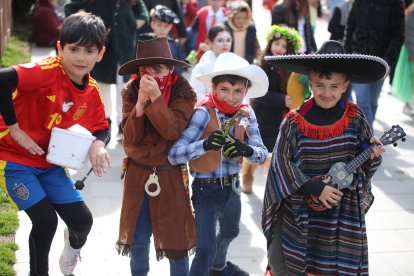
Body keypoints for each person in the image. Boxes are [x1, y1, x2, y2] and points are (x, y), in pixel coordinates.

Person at [262, 40, 388, 275]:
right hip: (301, 211)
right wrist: (314, 188)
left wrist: (371, 152)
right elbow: (281, 165)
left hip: (341, 212)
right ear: (309, 83)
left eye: (334, 86)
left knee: (335, 265)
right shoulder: (294, 122)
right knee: (292, 264)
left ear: (345, 86)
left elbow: (362, 159)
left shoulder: (355, 117)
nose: (326, 92)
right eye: (320, 85)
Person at [0, 12, 111, 276]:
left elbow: (102, 128)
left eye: (89, 50)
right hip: (13, 159)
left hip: (50, 165)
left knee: (82, 222)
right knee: (45, 221)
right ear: (60, 48)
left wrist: (98, 145)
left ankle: (70, 253)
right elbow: (2, 79)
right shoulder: (46, 71)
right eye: (73, 49)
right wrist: (14, 129)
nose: (81, 58)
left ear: (100, 54)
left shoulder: (92, 90)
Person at [168, 52, 269, 276]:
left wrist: (247, 150)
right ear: (213, 88)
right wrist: (204, 145)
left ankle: (218, 267)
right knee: (205, 248)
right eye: (224, 89)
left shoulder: (247, 113)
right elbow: (174, 155)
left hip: (233, 187)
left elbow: (262, 154)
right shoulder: (203, 113)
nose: (231, 97)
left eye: (237, 91)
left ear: (245, 92)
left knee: (230, 232)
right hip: (206, 188)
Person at [115, 37, 196, 276]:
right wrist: (140, 104)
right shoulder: (131, 90)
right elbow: (130, 138)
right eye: (146, 70)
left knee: (176, 244)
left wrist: (157, 100)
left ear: (170, 69)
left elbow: (172, 130)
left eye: (158, 69)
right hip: (138, 174)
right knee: (138, 241)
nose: (151, 75)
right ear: (139, 71)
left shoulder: (184, 91)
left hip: (170, 174)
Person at [65, 0, 149, 135]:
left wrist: (135, 22)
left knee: (125, 86)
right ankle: (104, 120)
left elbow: (142, 10)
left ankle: (125, 122)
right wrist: (83, 20)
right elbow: (70, 7)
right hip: (102, 45)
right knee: (101, 85)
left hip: (125, 44)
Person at [242, 25, 303, 194]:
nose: (280, 49)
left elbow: (297, 88)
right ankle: (248, 174)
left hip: (283, 117)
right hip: (263, 116)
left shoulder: (292, 69)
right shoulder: (262, 65)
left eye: (285, 47)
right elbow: (258, 93)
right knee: (257, 149)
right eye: (277, 44)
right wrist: (281, 99)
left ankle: (276, 181)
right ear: (270, 44)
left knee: (279, 152)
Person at [344, 0, 405, 129]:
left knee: (372, 102)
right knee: (363, 101)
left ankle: (365, 134)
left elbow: (398, 35)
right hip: (358, 56)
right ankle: (369, 140)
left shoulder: (396, 3)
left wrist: (389, 62)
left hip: (381, 59)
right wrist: (346, 55)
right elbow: (350, 26)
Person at [190, 24, 232, 103]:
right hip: (210, 111)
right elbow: (198, 95)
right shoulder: (201, 67)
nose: (225, 44)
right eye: (220, 40)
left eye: (228, 40)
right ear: (210, 43)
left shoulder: (236, 64)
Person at [137, 5, 183, 73]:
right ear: (153, 25)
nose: (162, 29)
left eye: (166, 26)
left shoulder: (174, 45)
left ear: (170, 27)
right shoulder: (144, 42)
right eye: (159, 25)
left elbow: (178, 70)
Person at [392, 2, 414, 115]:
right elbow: (408, 33)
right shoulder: (412, 11)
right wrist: (412, 53)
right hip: (411, 51)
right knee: (410, 80)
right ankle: (409, 104)